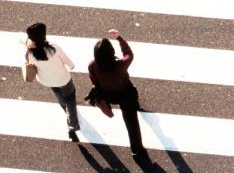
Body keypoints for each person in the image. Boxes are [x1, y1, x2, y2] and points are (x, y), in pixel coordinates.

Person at [87, 29, 149, 164]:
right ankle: (137, 150)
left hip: (109, 96)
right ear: (111, 52)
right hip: (126, 94)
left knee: (131, 121)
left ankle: (137, 151)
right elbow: (129, 55)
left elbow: (94, 81)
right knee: (132, 124)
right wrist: (119, 38)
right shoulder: (120, 64)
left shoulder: (93, 66)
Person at [24, 22, 80, 142]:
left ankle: (67, 111)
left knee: (59, 96)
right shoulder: (54, 49)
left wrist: (28, 47)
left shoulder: (31, 54)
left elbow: (28, 61)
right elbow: (66, 60)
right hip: (63, 78)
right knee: (70, 98)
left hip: (48, 80)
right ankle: (72, 125)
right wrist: (71, 66)